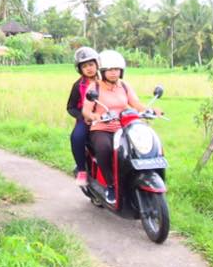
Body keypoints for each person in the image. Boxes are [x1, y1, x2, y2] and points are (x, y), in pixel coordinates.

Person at [82, 49, 160, 204]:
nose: (113, 73)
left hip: (124, 127)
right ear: (102, 71)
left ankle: (136, 181)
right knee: (104, 149)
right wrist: (95, 116)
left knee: (137, 149)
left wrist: (150, 110)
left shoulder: (124, 86)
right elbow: (86, 110)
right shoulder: (94, 88)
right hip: (102, 128)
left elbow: (136, 104)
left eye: (116, 69)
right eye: (110, 69)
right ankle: (111, 185)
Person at [66, 46, 100, 186]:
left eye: (91, 64)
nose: (89, 68)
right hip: (85, 119)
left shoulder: (106, 80)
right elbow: (71, 107)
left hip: (106, 116)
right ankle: (81, 170)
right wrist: (82, 117)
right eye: (85, 66)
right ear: (80, 69)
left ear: (97, 64)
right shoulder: (78, 85)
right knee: (77, 137)